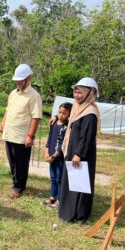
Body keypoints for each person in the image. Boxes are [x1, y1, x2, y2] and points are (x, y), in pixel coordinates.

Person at [59, 78, 100, 223]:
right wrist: (55, 119)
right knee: (71, 181)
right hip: (73, 150)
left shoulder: (90, 113)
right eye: (75, 92)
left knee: (80, 184)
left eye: (80, 93)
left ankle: (78, 215)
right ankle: (68, 211)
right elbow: (69, 122)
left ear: (90, 93)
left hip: (81, 154)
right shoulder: (78, 108)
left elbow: (87, 137)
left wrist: (78, 154)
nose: (77, 96)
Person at [0, 64, 42, 199]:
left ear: (28, 79)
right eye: (17, 81)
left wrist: (31, 135)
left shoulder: (34, 96)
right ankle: (15, 181)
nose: (19, 83)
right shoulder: (13, 93)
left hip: (22, 136)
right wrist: (3, 122)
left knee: (21, 162)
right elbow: (8, 110)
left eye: (21, 80)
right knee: (12, 161)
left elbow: (36, 117)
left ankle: (19, 186)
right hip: (9, 132)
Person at [43, 102, 72, 209]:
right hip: (51, 156)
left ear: (69, 114)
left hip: (58, 158)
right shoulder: (54, 124)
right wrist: (46, 152)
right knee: (53, 178)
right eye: (59, 112)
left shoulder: (66, 128)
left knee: (59, 179)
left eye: (64, 113)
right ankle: (52, 197)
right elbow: (50, 139)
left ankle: (59, 200)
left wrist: (54, 156)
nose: (61, 115)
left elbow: (61, 144)